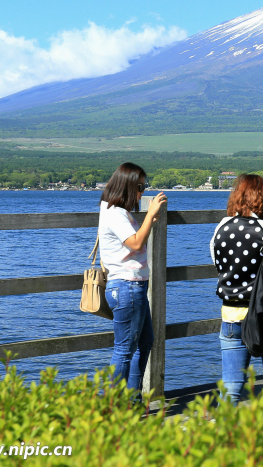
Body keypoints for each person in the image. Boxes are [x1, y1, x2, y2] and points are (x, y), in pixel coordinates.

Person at [211, 174, 263, 403]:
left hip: (231, 316)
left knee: (230, 387)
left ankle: (223, 436)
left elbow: (218, 266)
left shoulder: (221, 227)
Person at [98, 162, 167, 391]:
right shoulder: (115, 213)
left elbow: (133, 243)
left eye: (144, 186)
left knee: (144, 342)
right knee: (124, 350)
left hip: (132, 287)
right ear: (127, 186)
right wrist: (150, 215)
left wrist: (149, 221)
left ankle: (132, 401)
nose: (143, 191)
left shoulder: (117, 211)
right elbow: (137, 244)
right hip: (127, 287)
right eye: (140, 186)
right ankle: (115, 407)